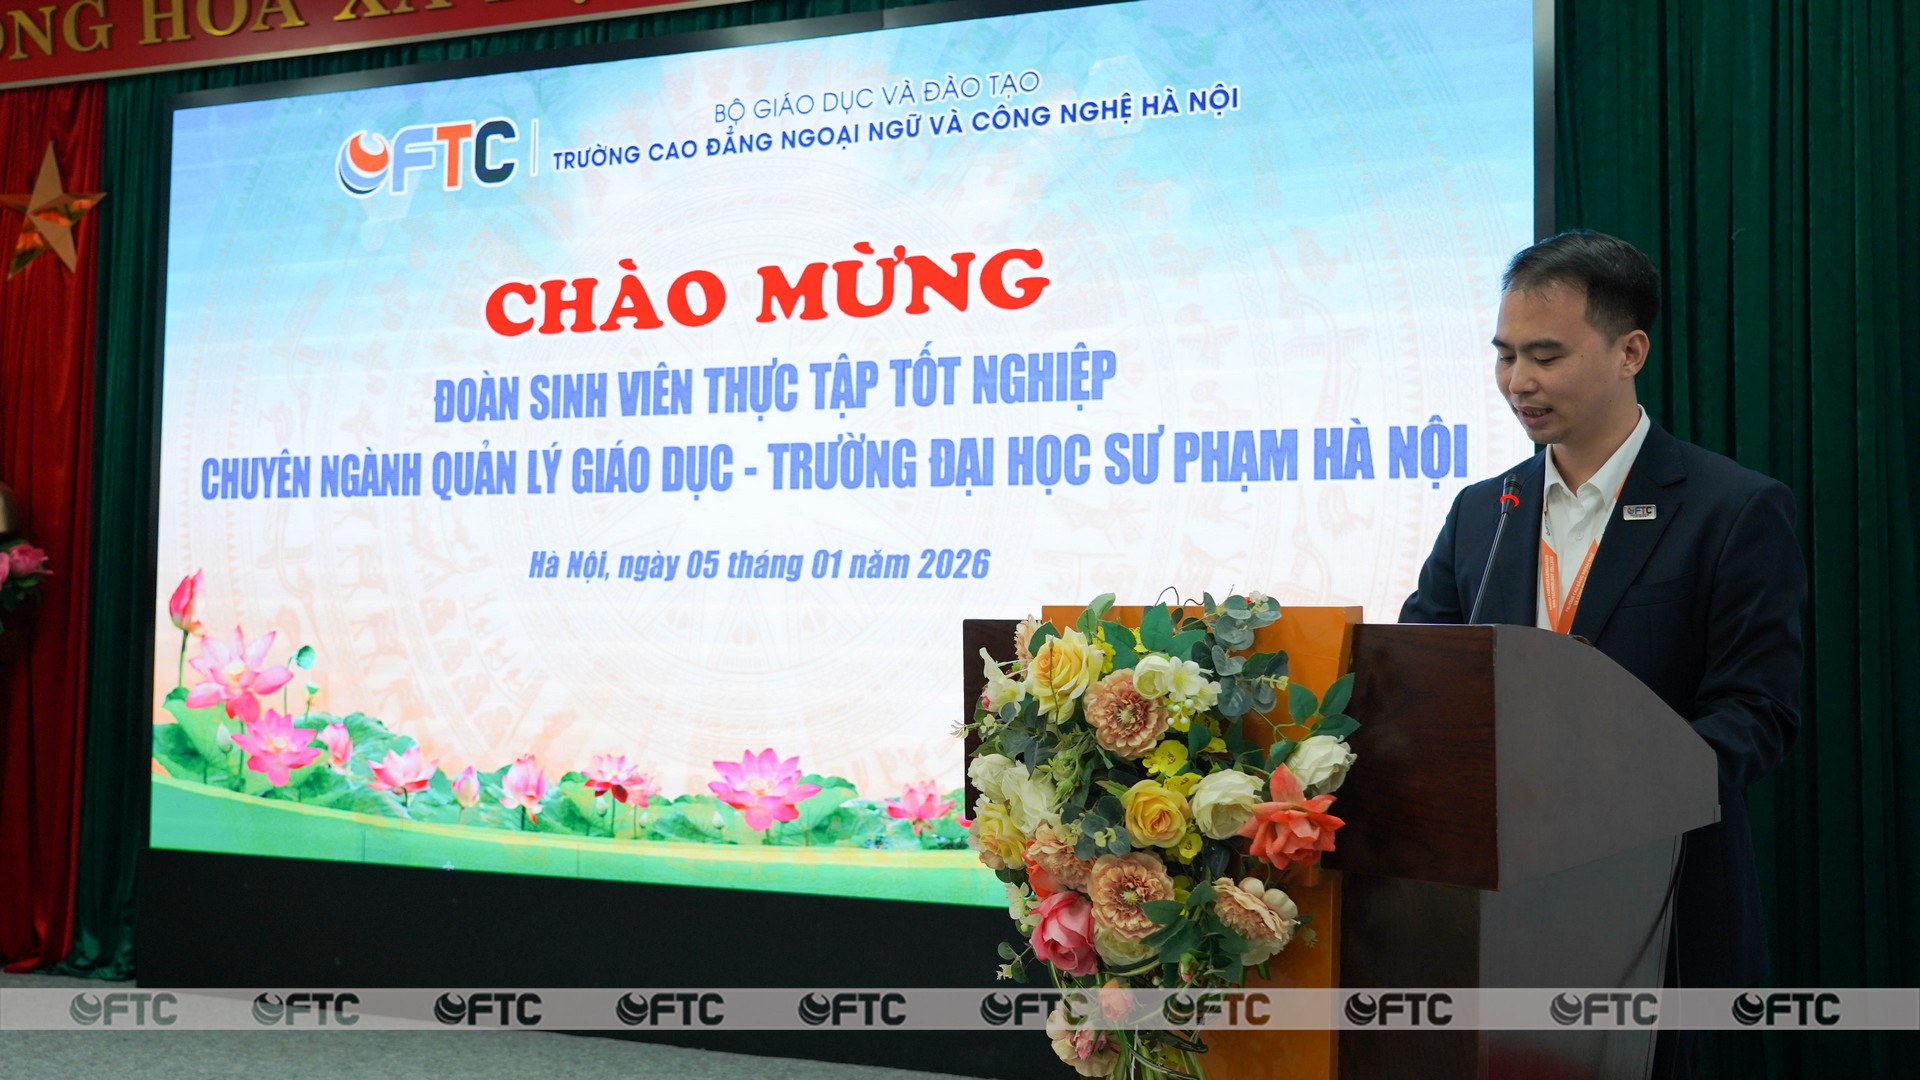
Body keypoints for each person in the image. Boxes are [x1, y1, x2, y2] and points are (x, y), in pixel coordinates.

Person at [1400, 230, 1805, 1077]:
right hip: (1490, 917)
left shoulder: (1732, 509)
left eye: (1546, 356)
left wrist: (1610, 788)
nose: (1519, 381)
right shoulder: (1484, 512)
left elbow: (1756, 713)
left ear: (1630, 353)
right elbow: (1414, 681)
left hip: (1659, 917)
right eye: (1505, 355)